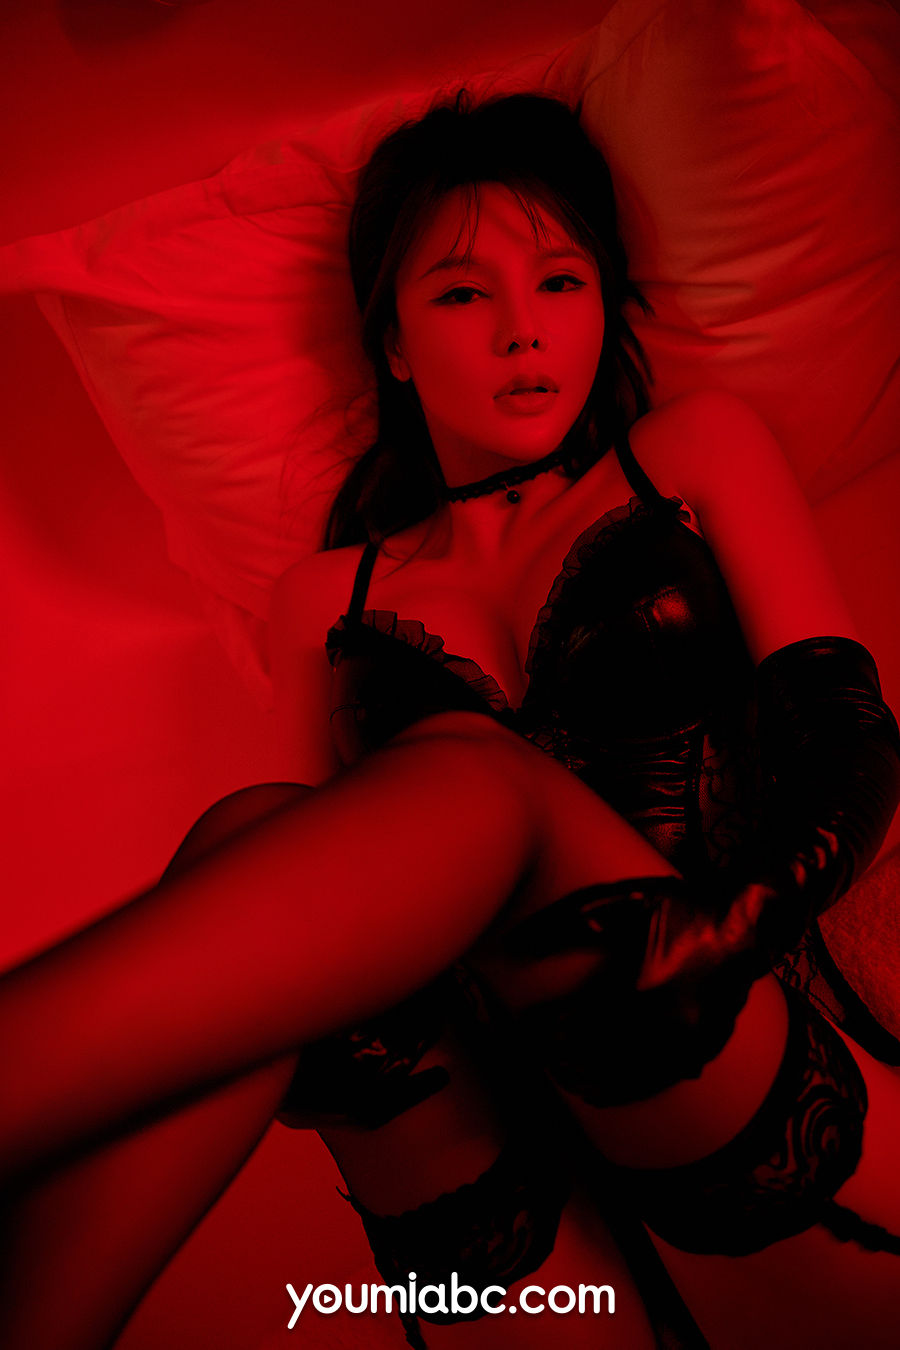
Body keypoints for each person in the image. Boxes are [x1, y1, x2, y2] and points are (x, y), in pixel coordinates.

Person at [1, 91, 898, 1350]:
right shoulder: (321, 598)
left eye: (562, 283)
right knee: (256, 833)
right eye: (466, 294)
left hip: (752, 1089)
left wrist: (746, 919)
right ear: (396, 345)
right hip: (522, 1226)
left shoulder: (693, 452)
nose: (524, 330)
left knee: (466, 775)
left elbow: (853, 737)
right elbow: (287, 952)